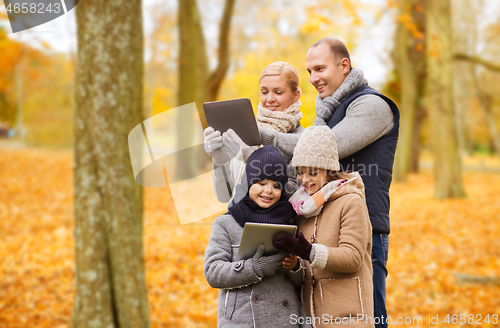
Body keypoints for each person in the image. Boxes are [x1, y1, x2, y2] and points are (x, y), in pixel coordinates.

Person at [260, 38, 399, 328]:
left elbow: (325, 147)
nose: (313, 78)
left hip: (362, 230)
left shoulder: (372, 106)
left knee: (367, 318)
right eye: (309, 71)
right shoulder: (328, 113)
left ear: (344, 65)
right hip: (318, 231)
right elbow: (304, 173)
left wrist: (262, 135)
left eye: (320, 68)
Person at [273, 126, 374, 328]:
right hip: (311, 318)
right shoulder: (303, 208)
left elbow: (353, 258)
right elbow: (306, 269)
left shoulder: (350, 202)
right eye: (300, 172)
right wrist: (295, 264)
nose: (305, 179)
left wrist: (309, 251)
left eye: (313, 172)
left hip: (348, 316)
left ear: (329, 170)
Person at [204, 146, 311, 328]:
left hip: (285, 320)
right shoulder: (226, 223)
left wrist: (295, 267)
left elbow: (300, 281)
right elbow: (213, 273)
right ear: (248, 183)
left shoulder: (289, 222)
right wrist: (254, 268)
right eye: (262, 183)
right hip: (242, 320)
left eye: (276, 186)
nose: (269, 190)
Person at [204, 61, 305, 203]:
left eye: (278, 92)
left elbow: (294, 195)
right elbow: (224, 197)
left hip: (276, 223)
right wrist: (219, 159)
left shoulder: (302, 138)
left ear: (296, 95)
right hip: (238, 220)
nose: (269, 99)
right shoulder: (245, 133)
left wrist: (254, 160)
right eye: (264, 92)